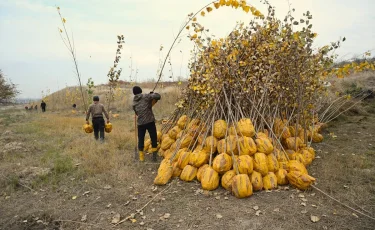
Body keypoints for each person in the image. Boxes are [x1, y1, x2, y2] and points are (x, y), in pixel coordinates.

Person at [132, 86, 161, 162]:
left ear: (134, 93)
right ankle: (154, 157)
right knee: (153, 137)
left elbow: (137, 113)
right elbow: (158, 96)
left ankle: (141, 158)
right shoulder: (146, 96)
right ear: (140, 90)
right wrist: (152, 94)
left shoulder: (134, 102)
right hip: (149, 121)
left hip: (140, 123)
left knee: (141, 139)